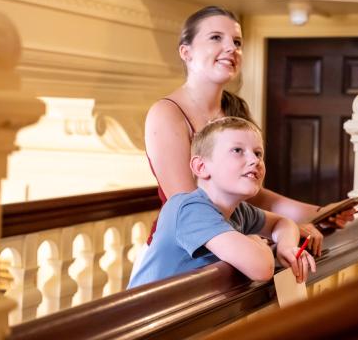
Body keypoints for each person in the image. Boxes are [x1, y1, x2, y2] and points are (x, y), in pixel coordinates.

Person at [143, 5, 354, 258]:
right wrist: (270, 233)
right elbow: (190, 208)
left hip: (234, 249)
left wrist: (321, 213)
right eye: (216, 38)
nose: (231, 48)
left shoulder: (234, 110)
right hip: (182, 255)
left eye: (237, 41)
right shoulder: (166, 113)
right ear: (185, 52)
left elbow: (254, 196)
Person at [128, 117, 316, 288]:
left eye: (258, 153)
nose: (254, 160)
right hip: (144, 319)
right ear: (201, 167)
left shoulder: (239, 211)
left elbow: (283, 223)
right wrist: (253, 239)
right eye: (237, 150)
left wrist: (287, 247)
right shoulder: (189, 209)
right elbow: (262, 268)